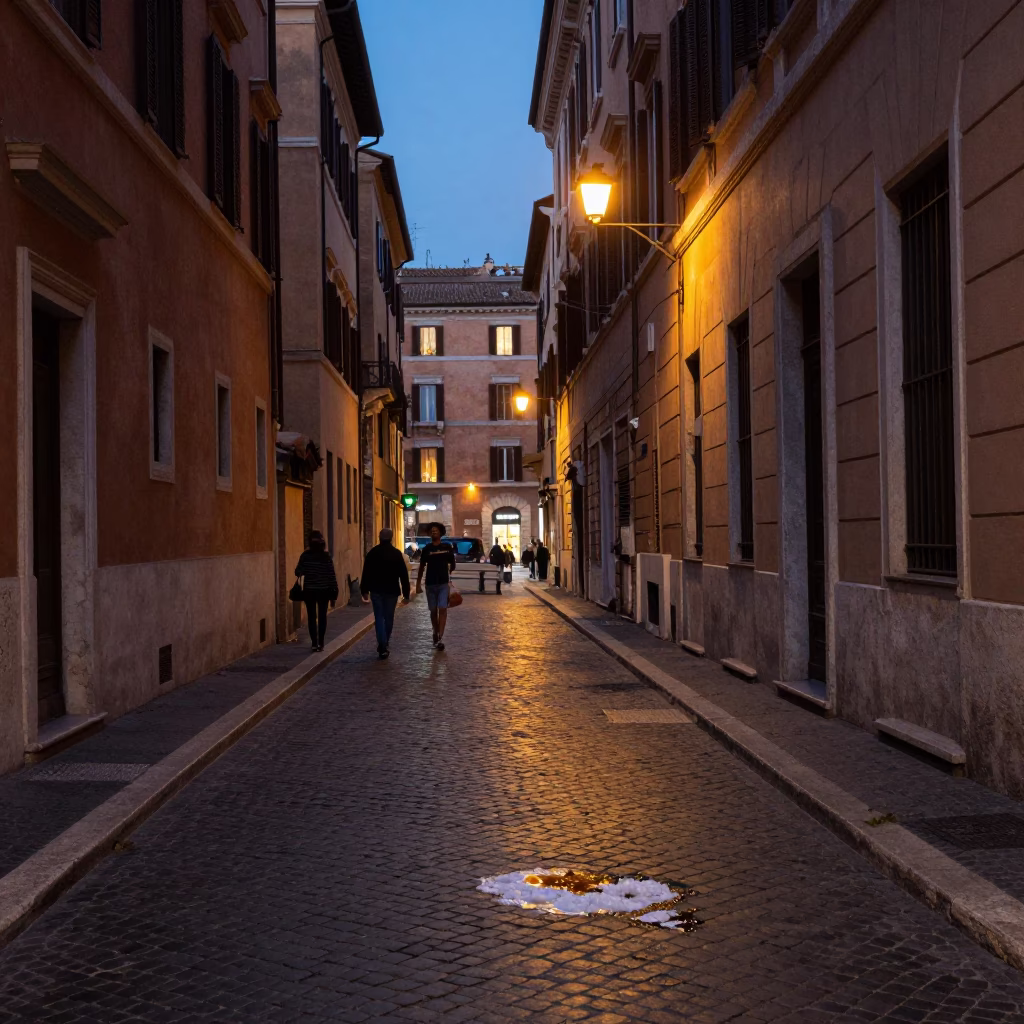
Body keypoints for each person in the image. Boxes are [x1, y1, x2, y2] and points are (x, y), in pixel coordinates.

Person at [359, 528, 411, 659]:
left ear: (379, 537)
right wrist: (406, 594)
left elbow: (366, 572)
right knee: (389, 618)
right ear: (392, 538)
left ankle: (382, 644)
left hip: (376, 590)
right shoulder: (396, 554)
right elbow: (403, 575)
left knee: (379, 617)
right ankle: (384, 642)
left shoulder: (373, 553)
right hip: (392, 591)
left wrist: (364, 590)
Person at [294, 530, 339, 652]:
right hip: (324, 591)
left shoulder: (305, 556)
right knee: (322, 616)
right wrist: (334, 591)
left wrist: (305, 570)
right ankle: (321, 643)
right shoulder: (326, 557)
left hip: (309, 590)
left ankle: (314, 643)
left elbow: (297, 571)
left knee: (312, 617)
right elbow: (331, 575)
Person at [416, 523, 456, 651]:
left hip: (443, 583)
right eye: (432, 531)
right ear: (429, 533)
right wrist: (418, 584)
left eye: (436, 530)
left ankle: (440, 637)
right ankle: (435, 631)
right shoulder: (427, 549)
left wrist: (448, 572)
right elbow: (422, 566)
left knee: (442, 609)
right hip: (430, 584)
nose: (434, 532)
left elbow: (453, 564)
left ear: (441, 533)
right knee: (433, 611)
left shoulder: (447, 547)